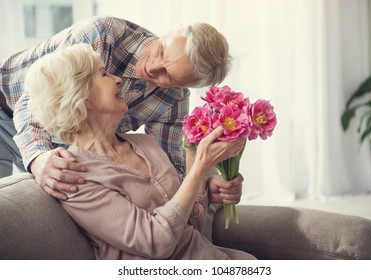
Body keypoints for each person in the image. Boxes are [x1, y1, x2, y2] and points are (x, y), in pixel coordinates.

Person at [25, 43, 254, 260]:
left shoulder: (145, 142)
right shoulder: (75, 176)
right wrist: (200, 167)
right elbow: (157, 241)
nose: (117, 79)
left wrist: (201, 178)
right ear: (83, 98)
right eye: (104, 75)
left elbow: (191, 226)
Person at [0, 16, 234, 201]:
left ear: (184, 85)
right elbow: (30, 102)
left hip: (61, 136)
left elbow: (168, 168)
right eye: (161, 51)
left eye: (168, 76)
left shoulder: (174, 99)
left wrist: (202, 187)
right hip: (8, 107)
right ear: (168, 33)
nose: (153, 67)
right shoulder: (104, 35)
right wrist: (38, 157)